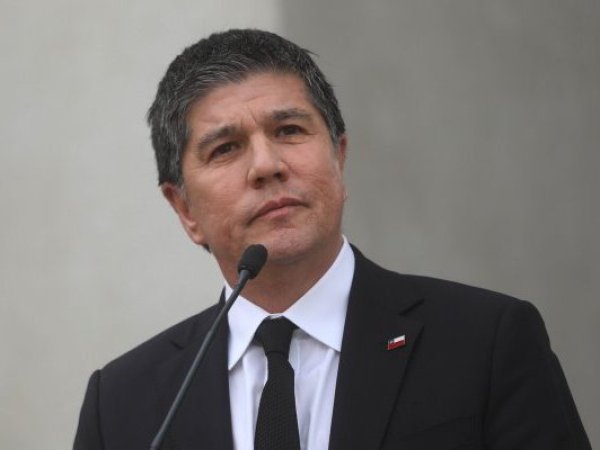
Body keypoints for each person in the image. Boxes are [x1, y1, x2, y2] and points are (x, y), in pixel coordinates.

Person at [74, 29, 591, 450]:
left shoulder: (485, 342)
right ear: (184, 209)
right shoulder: (123, 402)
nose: (267, 165)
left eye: (289, 130)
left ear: (339, 158)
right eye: (226, 148)